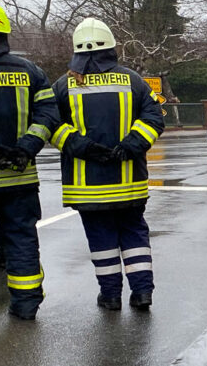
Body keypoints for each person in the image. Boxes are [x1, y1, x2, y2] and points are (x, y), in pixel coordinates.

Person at [50, 18, 164, 311]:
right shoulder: (133, 80)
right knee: (134, 233)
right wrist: (130, 146)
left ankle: (110, 296)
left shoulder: (63, 85)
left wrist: (80, 146)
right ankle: (142, 293)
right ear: (112, 47)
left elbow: (50, 124)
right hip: (129, 183)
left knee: (101, 239)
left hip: (87, 187)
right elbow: (154, 119)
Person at [0, 0, 60, 326]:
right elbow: (48, 115)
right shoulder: (30, 71)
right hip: (21, 179)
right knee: (22, 240)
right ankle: (25, 307)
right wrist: (26, 147)